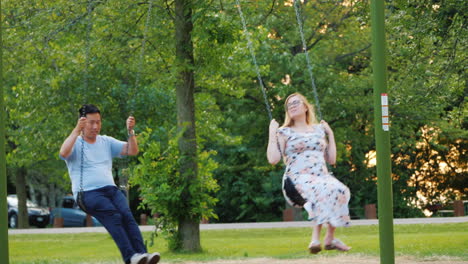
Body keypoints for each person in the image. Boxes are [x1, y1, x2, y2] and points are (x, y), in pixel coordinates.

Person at [59, 104, 160, 264]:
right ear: (82, 122)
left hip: (111, 190)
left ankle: (142, 255)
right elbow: (63, 153)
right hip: (87, 194)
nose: (95, 126)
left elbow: (132, 150)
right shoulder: (75, 142)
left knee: (127, 216)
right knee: (114, 216)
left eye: (98, 122)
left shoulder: (106, 141)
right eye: (91, 122)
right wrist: (76, 130)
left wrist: (131, 132)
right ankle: (130, 257)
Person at [267, 93, 351, 254]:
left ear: (306, 107)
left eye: (295, 103)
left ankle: (329, 238)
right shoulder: (284, 132)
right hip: (296, 180)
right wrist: (272, 133)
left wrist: (330, 134)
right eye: (289, 105)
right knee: (320, 189)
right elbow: (273, 159)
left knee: (339, 190)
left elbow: (331, 159)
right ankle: (315, 238)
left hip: (321, 177)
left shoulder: (319, 130)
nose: (292, 106)